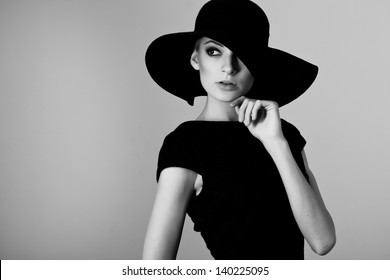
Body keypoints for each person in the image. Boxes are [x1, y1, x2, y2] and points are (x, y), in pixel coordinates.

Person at [143, 0, 336, 260]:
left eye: (243, 54)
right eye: (214, 51)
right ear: (194, 58)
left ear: (259, 64)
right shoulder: (185, 146)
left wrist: (275, 142)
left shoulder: (284, 134)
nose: (229, 67)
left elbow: (323, 241)